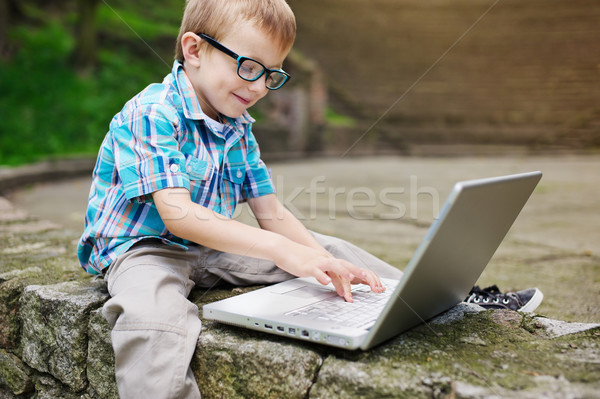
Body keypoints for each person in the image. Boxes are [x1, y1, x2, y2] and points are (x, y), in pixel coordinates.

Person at [77, 0, 542, 397]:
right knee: (152, 318)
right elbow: (177, 215)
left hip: (208, 249)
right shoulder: (151, 111)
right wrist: (283, 250)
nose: (259, 86)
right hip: (142, 250)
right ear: (195, 50)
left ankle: (449, 300)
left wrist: (319, 260)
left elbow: (271, 213)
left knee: (332, 253)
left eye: (272, 74)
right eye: (248, 67)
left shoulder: (237, 127)